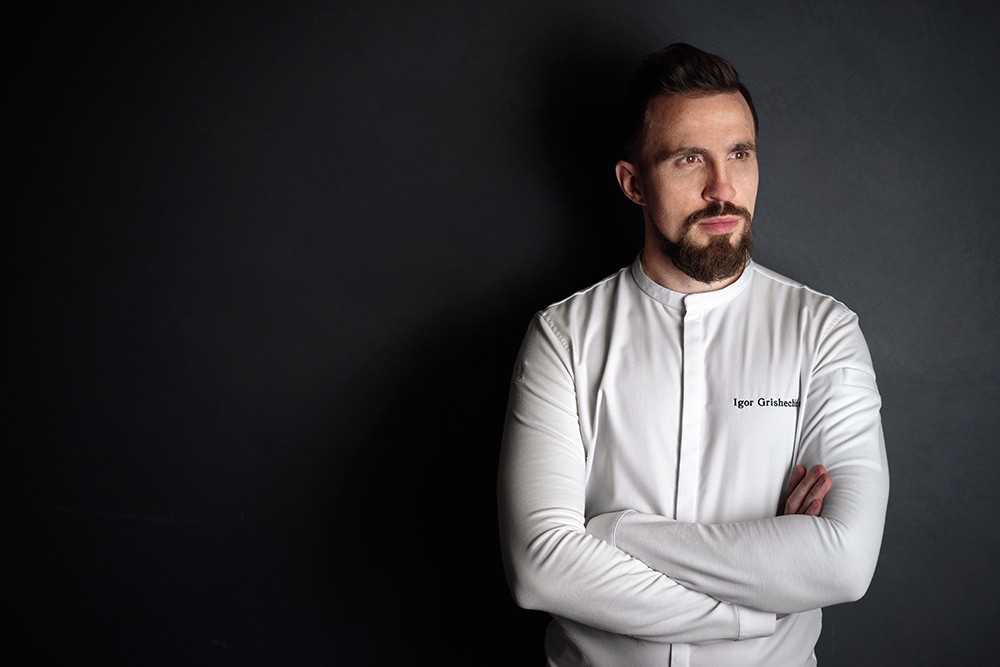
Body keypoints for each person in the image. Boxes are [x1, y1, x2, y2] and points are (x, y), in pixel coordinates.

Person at [497, 43, 889, 666]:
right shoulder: (563, 336)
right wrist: (751, 607)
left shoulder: (824, 332)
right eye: (688, 159)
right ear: (634, 183)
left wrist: (615, 533)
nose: (722, 189)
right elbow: (541, 568)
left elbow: (843, 563)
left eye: (740, 154)